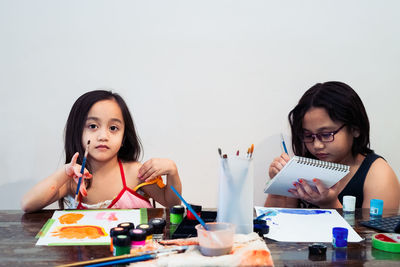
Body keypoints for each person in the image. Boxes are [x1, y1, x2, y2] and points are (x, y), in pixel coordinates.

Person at [21, 90, 182, 212]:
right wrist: (64, 172)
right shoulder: (73, 181)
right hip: (86, 255)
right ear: (77, 131)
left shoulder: (136, 172)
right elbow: (28, 204)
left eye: (113, 128)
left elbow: (172, 203)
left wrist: (172, 171)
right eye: (92, 126)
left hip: (133, 254)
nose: (103, 136)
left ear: (124, 136)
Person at [264, 81, 400, 209]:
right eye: (308, 135)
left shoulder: (378, 174)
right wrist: (277, 187)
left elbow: (375, 234)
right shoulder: (305, 166)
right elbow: (270, 223)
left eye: (326, 134)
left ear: (355, 129)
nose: (317, 145)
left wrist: (330, 204)